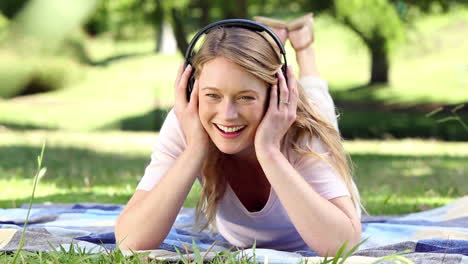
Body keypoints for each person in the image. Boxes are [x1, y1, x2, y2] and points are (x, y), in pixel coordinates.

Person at [115, 14, 363, 256]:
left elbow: (343, 245)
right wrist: (195, 148)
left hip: (303, 120)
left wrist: (269, 151)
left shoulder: (302, 129)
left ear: (276, 95)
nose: (227, 115)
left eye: (245, 97)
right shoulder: (187, 120)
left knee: (318, 101)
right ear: (192, 89)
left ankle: (304, 47)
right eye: (212, 95)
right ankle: (272, 40)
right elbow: (130, 240)